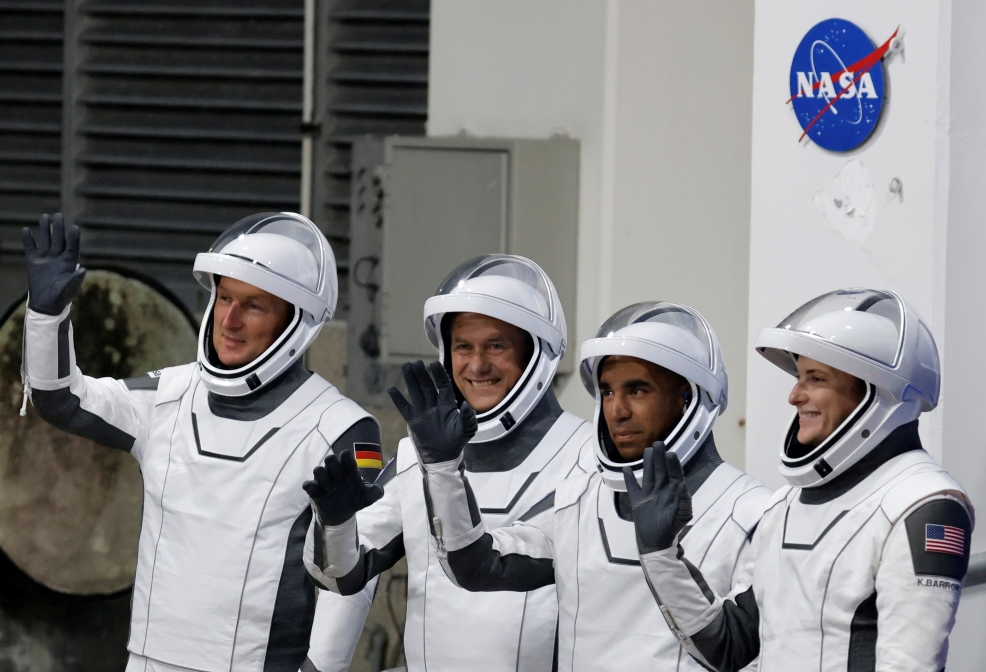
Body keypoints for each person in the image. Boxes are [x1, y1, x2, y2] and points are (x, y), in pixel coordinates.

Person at [320, 301, 770, 670]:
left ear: (688, 397)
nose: (616, 410)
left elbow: (732, 649)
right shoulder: (581, 500)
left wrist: (661, 557)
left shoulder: (754, 514)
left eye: (637, 390)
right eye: (608, 392)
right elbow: (476, 566)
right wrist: (441, 467)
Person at [21, 212, 377, 672]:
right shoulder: (168, 395)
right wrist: (47, 317)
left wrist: (322, 667)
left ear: (295, 322)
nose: (228, 320)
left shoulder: (344, 428)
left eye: (253, 305)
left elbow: (350, 578)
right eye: (224, 297)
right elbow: (62, 399)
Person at [632, 288, 974, 671]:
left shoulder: (923, 504)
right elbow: (728, 648)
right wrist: (662, 555)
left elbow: (912, 666)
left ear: (876, 392)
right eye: (799, 377)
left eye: (816, 378)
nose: (795, 395)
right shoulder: (784, 506)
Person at [303, 255, 593, 671]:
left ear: (537, 352)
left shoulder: (588, 462)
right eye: (463, 347)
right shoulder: (413, 457)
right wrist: (334, 522)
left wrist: (441, 468)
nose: (476, 365)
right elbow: (342, 576)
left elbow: (484, 566)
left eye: (496, 345)